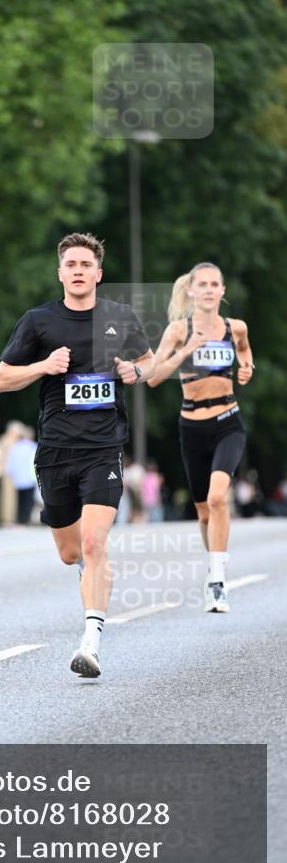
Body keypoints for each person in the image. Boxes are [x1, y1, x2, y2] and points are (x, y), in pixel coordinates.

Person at [0, 232, 155, 677]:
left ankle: (91, 642)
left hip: (103, 448)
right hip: (55, 452)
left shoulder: (119, 318)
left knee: (94, 541)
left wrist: (134, 371)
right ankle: (91, 574)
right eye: (71, 265)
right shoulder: (38, 321)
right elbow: (2, 379)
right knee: (71, 553)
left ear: (99, 273)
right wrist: (43, 367)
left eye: (86, 264)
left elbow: (152, 363)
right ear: (61, 272)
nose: (79, 271)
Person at [148, 262, 254, 612]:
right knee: (204, 513)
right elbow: (153, 377)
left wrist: (247, 367)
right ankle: (213, 571)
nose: (209, 290)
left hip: (227, 420)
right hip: (192, 426)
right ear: (191, 291)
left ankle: (218, 582)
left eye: (215, 284)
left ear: (223, 291)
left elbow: (243, 349)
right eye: (202, 285)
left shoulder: (234, 327)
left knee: (218, 498)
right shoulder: (179, 330)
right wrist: (187, 348)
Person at [5, 425, 38, 524]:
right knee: (28, 500)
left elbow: (10, 462)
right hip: (30, 478)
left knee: (20, 500)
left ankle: (20, 519)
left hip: (18, 478)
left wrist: (11, 473)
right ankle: (26, 519)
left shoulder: (15, 447)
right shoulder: (33, 446)